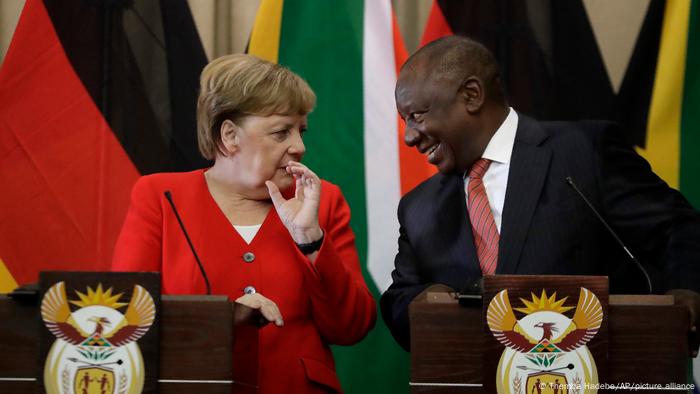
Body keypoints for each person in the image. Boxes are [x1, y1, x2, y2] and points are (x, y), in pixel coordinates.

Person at [380, 35, 700, 353]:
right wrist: (423, 300)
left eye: (416, 116)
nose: (408, 137)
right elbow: (399, 298)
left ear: (472, 95)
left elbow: (677, 228)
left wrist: (686, 292)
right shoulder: (418, 207)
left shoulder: (583, 153)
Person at [112, 54, 376, 393]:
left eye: (301, 130)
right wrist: (222, 320)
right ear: (229, 136)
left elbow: (351, 327)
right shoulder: (159, 197)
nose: (300, 146)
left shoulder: (323, 201)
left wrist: (311, 240)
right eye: (282, 132)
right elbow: (125, 316)